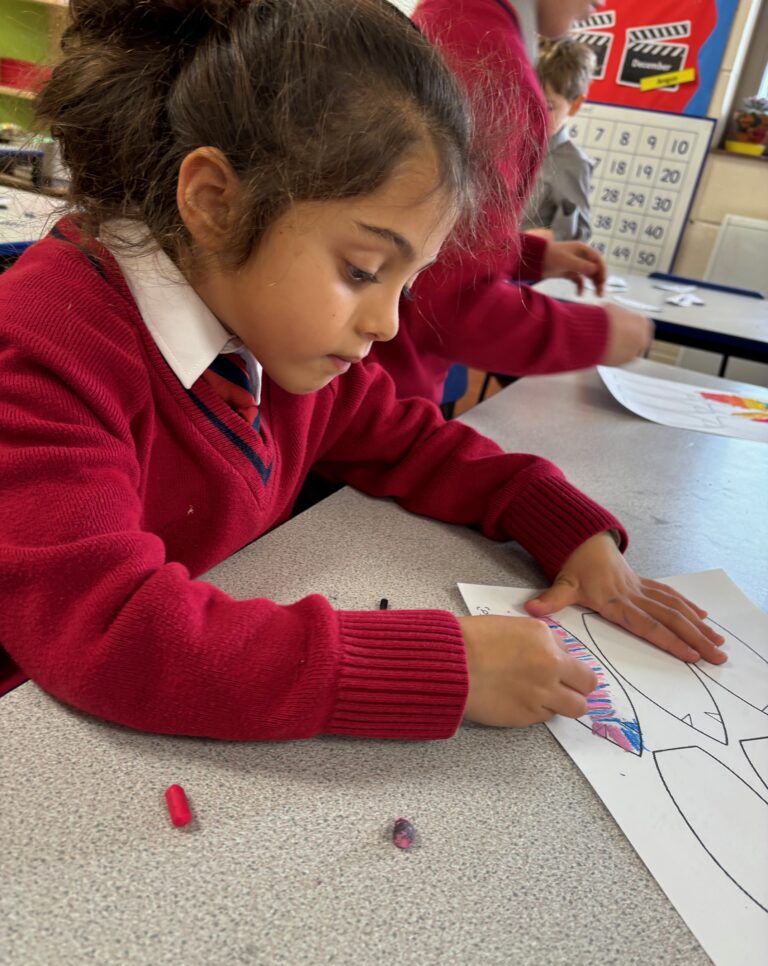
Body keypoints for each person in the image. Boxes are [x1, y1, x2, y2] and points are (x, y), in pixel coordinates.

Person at [0, 0, 725, 744]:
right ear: (215, 202)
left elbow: (412, 442)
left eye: (407, 283)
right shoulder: (44, 356)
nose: (386, 323)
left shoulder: (273, 330)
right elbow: (114, 632)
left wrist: (562, 525)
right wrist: (439, 668)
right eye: (362, 270)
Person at [367, 0, 653, 405]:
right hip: (382, 400)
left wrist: (531, 255)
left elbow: (426, 243)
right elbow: (450, 310)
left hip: (365, 382)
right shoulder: (495, 67)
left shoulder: (446, 18)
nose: (602, 4)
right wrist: (601, 334)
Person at [522, 36, 597, 243]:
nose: (531, 115)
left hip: (521, 269)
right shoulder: (501, 146)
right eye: (524, 100)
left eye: (547, 107)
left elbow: (578, 233)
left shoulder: (572, 164)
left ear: (575, 105)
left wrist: (544, 239)